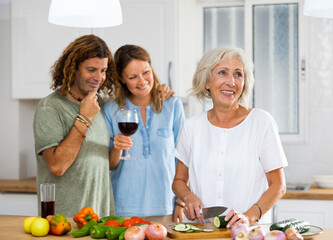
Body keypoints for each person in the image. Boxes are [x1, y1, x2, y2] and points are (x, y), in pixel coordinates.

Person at [33, 35, 173, 218]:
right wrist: (83, 118)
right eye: (91, 70)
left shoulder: (101, 105)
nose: (99, 78)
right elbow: (57, 166)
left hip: (101, 217)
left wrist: (159, 90)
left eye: (104, 70)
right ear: (72, 68)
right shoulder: (50, 107)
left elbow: (106, 162)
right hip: (65, 220)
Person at [172, 46, 288, 227]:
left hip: (250, 234)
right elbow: (179, 181)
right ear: (206, 82)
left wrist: (249, 216)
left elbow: (278, 186)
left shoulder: (262, 122)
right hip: (203, 232)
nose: (231, 82)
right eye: (222, 72)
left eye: (238, 74)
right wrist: (188, 197)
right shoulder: (192, 127)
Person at [103, 44, 185, 219]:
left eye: (146, 72)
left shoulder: (172, 105)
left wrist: (181, 201)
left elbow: (184, 158)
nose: (142, 81)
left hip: (166, 206)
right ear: (122, 79)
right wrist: (117, 147)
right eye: (133, 77)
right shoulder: (111, 110)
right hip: (125, 208)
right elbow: (109, 165)